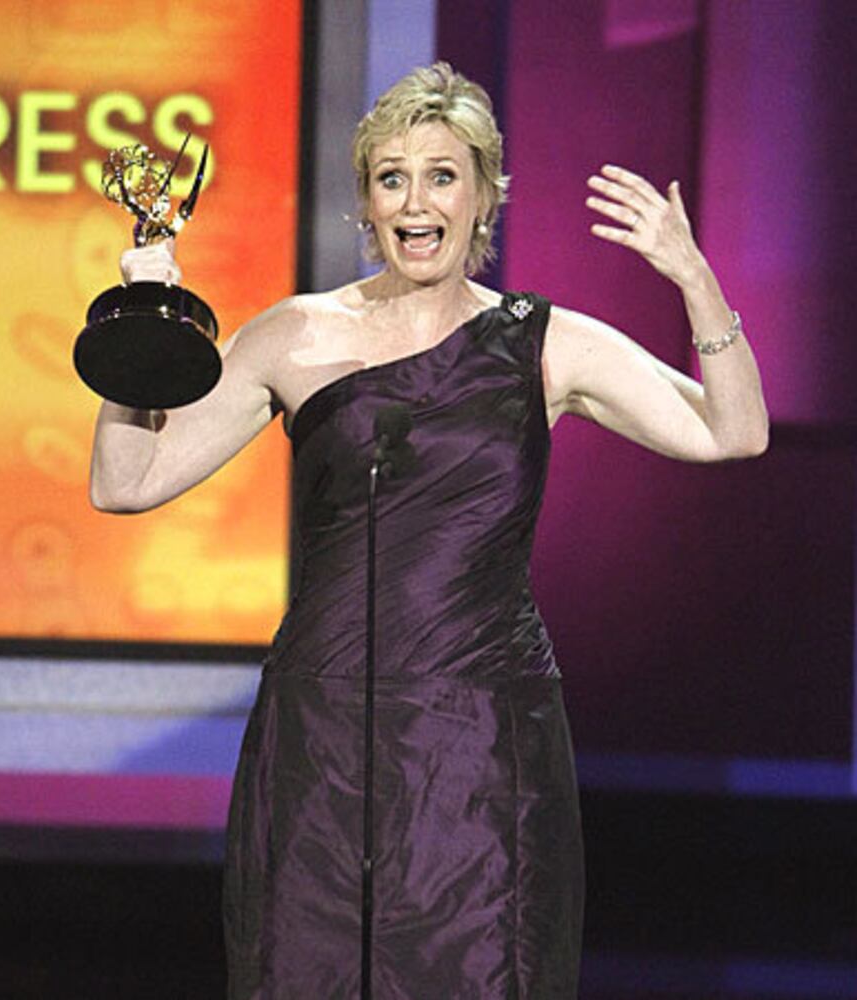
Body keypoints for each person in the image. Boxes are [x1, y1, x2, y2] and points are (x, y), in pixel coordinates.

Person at [89, 62, 768, 1000]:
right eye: (392, 177)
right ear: (366, 203)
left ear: (484, 196)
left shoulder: (545, 343)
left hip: (482, 749)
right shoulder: (295, 337)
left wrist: (693, 278)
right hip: (323, 744)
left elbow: (734, 430)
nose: (416, 202)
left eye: (442, 175)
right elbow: (125, 482)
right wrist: (140, 324)